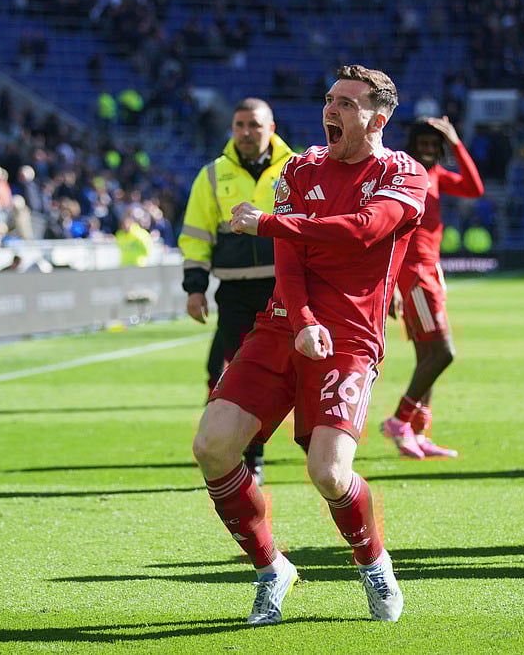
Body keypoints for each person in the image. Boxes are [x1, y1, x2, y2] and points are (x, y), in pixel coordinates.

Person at [192, 64, 427, 624]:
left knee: (328, 472)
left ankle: (373, 562)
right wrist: (298, 318)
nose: (332, 111)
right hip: (282, 325)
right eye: (329, 100)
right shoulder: (298, 170)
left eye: (348, 103)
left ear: (380, 116)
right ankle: (271, 568)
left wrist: (269, 224)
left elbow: (365, 229)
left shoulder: (402, 173)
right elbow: (290, 263)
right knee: (212, 446)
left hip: (350, 336)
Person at [179, 98, 295, 483]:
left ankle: (322, 447)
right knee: (241, 376)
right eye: (239, 125)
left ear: (271, 128)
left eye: (254, 125)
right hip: (234, 293)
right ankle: (251, 456)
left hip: (288, 288)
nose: (246, 132)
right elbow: (196, 236)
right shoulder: (212, 175)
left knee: (299, 371)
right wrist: (195, 289)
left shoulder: (298, 168)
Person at [380, 116, 484, 459]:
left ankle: (418, 431)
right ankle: (399, 419)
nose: (426, 151)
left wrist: (455, 141)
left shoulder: (436, 174)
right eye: (421, 144)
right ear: (412, 145)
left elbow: (474, 189)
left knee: (428, 356)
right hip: (413, 275)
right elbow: (388, 227)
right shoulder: (403, 171)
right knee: (442, 352)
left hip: (429, 271)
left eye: (432, 146)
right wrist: (392, 282)